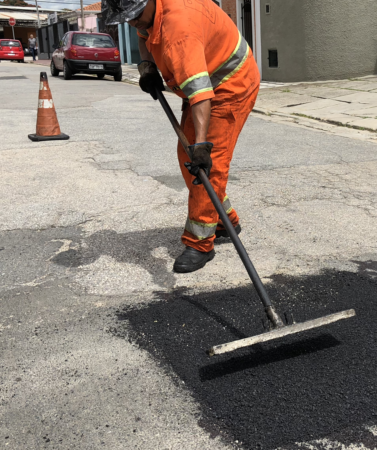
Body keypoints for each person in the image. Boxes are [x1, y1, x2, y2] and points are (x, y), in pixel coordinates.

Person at [103, 0, 260, 273]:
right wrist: (147, 68)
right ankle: (225, 220)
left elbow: (200, 95)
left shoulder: (179, 31)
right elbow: (144, 37)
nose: (133, 21)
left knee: (207, 165)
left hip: (229, 84)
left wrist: (202, 147)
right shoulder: (150, 16)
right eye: (127, 17)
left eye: (136, 14)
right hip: (206, 80)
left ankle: (200, 243)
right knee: (186, 156)